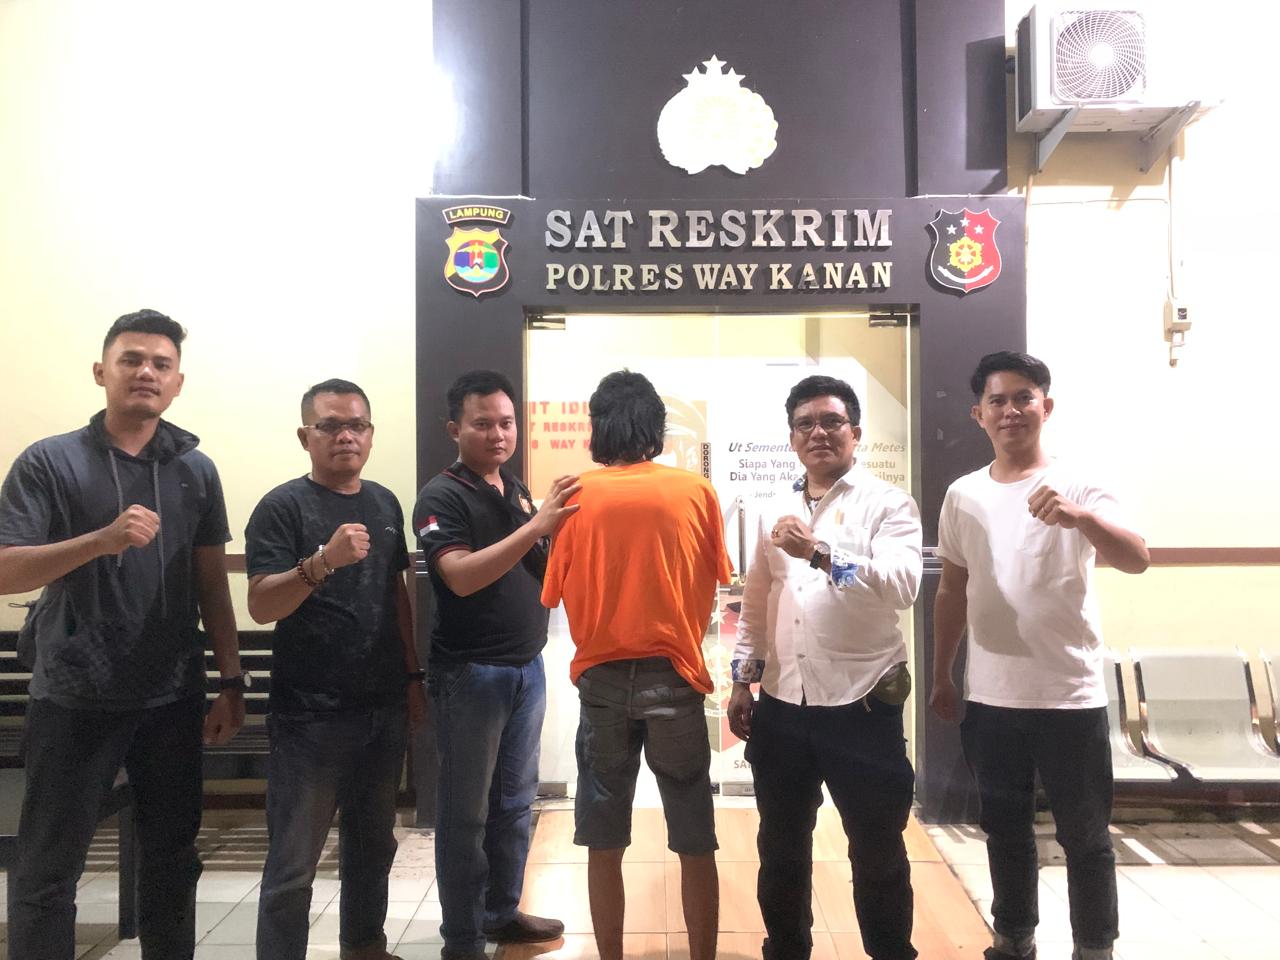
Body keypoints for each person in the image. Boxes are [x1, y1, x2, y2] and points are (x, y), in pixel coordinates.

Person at [0, 309, 244, 960]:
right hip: (74, 695)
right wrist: (100, 541)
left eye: (161, 364)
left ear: (178, 383)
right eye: (131, 359)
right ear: (100, 371)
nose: (146, 372)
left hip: (171, 696)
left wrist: (230, 681)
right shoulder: (50, 461)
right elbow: (5, 569)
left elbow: (212, 583)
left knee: (172, 860)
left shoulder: (195, 469)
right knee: (49, 868)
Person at [930, 351, 1149, 960]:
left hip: (1069, 695)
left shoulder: (1080, 483)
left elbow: (1136, 558)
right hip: (991, 697)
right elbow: (952, 588)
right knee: (1004, 830)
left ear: (1045, 407)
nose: (1011, 411)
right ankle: (1014, 937)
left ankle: (1094, 947)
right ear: (978, 414)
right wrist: (944, 672)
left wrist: (1082, 519)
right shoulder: (963, 494)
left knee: (1085, 836)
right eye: (997, 401)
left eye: (1023, 398)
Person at [728, 374, 923, 960]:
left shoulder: (888, 503)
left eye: (832, 421)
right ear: (792, 438)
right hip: (784, 705)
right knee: (781, 849)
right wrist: (742, 681)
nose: (819, 433)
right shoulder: (775, 509)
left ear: (855, 433)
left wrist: (818, 552)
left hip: (862, 706)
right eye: (805, 424)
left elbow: (901, 586)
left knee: (877, 849)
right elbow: (756, 601)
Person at [541, 370, 732, 960]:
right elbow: (718, 577)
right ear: (656, 425)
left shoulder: (575, 497)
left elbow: (552, 593)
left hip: (601, 681)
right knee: (694, 837)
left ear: (598, 426)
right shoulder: (695, 492)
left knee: (604, 838)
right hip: (676, 676)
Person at [245, 378, 425, 960]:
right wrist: (322, 562)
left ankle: (364, 947)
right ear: (306, 436)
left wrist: (413, 677)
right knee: (294, 863)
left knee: (373, 847)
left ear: (371, 435)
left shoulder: (385, 502)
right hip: (308, 715)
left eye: (357, 425)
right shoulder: (282, 506)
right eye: (330, 425)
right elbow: (262, 604)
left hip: (382, 705)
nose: (346, 436)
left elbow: (396, 593)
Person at [413, 369, 578, 960]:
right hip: (470, 674)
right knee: (465, 815)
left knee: (514, 804)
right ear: (454, 428)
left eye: (506, 423)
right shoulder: (442, 496)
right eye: (483, 423)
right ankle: (461, 939)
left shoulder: (516, 490)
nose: (498, 434)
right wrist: (536, 526)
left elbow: (537, 567)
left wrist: (555, 531)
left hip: (526, 668)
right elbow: (458, 576)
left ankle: (500, 914)